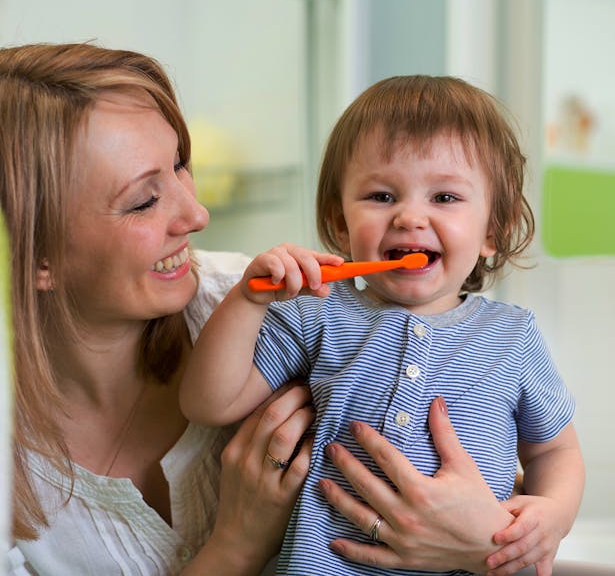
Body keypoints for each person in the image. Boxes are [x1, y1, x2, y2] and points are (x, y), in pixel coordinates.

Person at [0, 44, 523, 576]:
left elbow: (493, 471)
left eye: (181, 165)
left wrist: (486, 541)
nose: (197, 214)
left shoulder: (281, 304)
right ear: (34, 256)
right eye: (143, 201)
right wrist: (237, 544)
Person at [180, 75, 585, 576]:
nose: (410, 217)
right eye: (380, 196)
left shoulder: (513, 336)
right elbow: (208, 402)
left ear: (492, 230)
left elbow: (556, 450)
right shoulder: (316, 311)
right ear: (340, 222)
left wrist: (554, 515)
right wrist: (247, 299)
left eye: (444, 198)